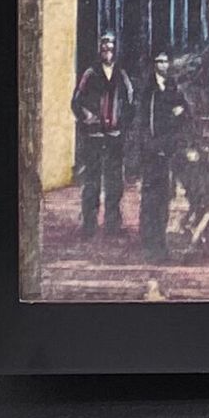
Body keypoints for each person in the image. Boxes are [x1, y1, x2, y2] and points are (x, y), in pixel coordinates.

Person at [70, 32, 134, 239]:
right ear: (100, 50)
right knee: (92, 181)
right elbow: (76, 101)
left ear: (116, 50)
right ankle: (89, 226)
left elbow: (130, 103)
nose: (108, 51)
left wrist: (122, 126)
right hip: (94, 136)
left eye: (111, 47)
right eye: (104, 47)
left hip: (114, 136)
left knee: (114, 182)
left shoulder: (121, 75)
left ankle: (112, 225)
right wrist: (86, 115)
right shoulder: (91, 73)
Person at [139, 49, 193, 259]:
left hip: (168, 149)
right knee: (150, 196)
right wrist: (151, 145)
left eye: (165, 61)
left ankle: (159, 242)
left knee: (164, 196)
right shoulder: (149, 90)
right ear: (154, 64)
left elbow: (185, 112)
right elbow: (145, 122)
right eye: (159, 61)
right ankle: (148, 242)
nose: (163, 65)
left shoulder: (172, 87)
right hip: (152, 150)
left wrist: (181, 113)